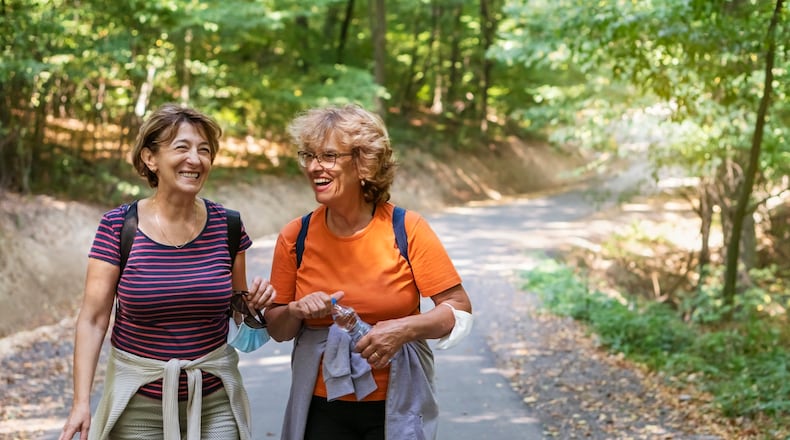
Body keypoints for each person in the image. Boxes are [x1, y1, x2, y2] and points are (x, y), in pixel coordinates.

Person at [59, 103, 275, 440]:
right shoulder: (118, 226)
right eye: (182, 147)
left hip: (215, 403)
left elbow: (238, 312)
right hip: (139, 406)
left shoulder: (228, 225)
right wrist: (80, 402)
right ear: (150, 158)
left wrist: (254, 306)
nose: (196, 159)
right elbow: (93, 319)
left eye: (204, 150)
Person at [264, 103, 473, 440]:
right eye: (309, 156)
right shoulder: (295, 236)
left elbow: (458, 309)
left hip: (397, 404)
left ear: (364, 164)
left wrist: (405, 329)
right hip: (320, 406)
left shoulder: (407, 228)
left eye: (329, 156)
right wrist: (295, 310)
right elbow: (277, 328)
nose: (315, 167)